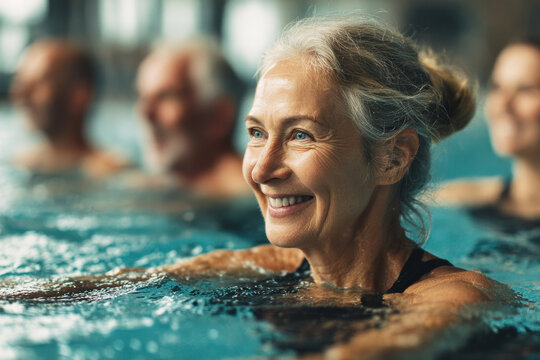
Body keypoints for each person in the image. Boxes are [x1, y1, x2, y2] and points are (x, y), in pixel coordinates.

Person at [3, 17, 511, 358]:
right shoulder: (264, 264)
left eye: (300, 135)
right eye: (256, 133)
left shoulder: (457, 298)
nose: (262, 169)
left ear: (392, 157)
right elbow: (102, 287)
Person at [135, 37, 250, 197]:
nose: (145, 113)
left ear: (219, 116)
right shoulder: (170, 182)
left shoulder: (257, 200)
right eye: (144, 98)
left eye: (166, 97)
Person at [10, 39, 129, 177]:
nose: (21, 94)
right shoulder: (18, 162)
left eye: (38, 83)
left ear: (79, 96)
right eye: (21, 82)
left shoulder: (111, 172)